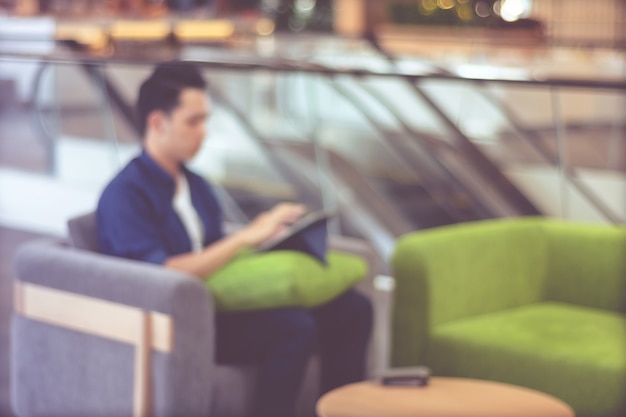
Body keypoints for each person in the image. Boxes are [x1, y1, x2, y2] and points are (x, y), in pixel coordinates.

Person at [97, 61, 372, 417]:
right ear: (157, 123)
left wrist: (269, 238)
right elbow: (163, 273)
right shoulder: (125, 195)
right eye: (193, 121)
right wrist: (245, 236)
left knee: (353, 309)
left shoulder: (196, 185)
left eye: (205, 120)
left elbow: (215, 251)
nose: (203, 132)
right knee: (293, 326)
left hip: (220, 302)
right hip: (177, 321)